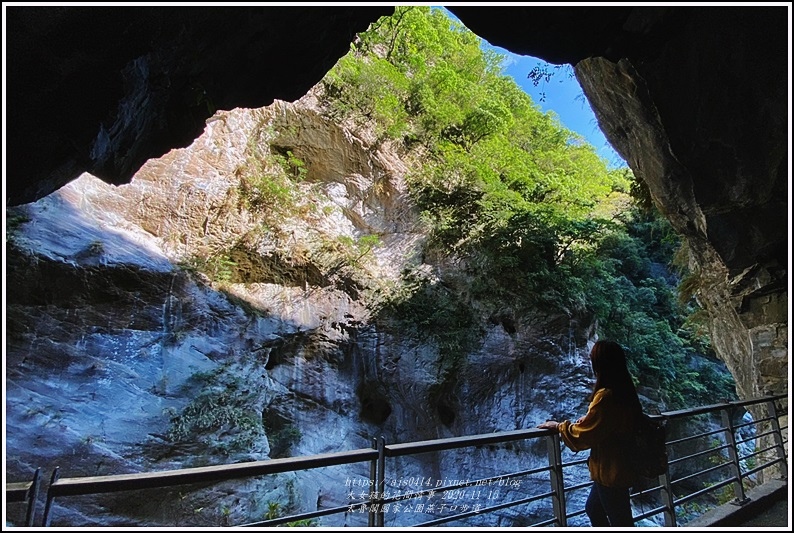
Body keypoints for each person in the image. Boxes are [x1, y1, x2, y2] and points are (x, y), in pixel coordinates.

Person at [537, 339, 642, 527]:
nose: (590, 359)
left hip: (611, 468)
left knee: (620, 521)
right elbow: (602, 423)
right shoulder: (624, 390)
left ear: (601, 362)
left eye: (593, 356)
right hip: (621, 464)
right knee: (595, 509)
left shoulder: (606, 396)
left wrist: (560, 426)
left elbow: (586, 435)